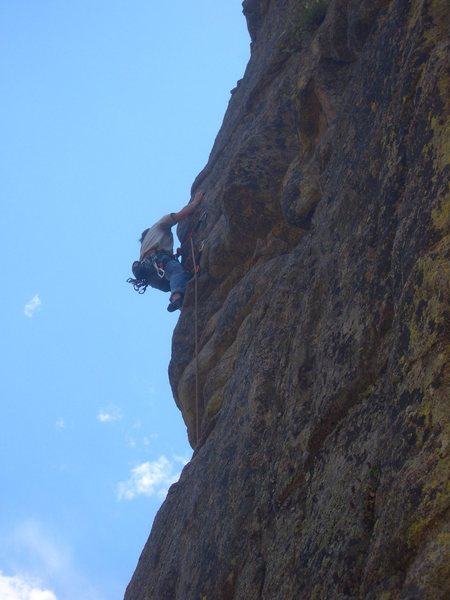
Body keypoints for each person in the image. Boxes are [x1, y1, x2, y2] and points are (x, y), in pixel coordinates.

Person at [138, 190, 204, 312]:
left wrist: (174, 256)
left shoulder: (145, 246)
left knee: (182, 279)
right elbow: (179, 215)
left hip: (151, 278)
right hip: (157, 262)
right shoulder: (159, 225)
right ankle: (176, 299)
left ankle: (180, 303)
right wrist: (195, 203)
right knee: (177, 273)